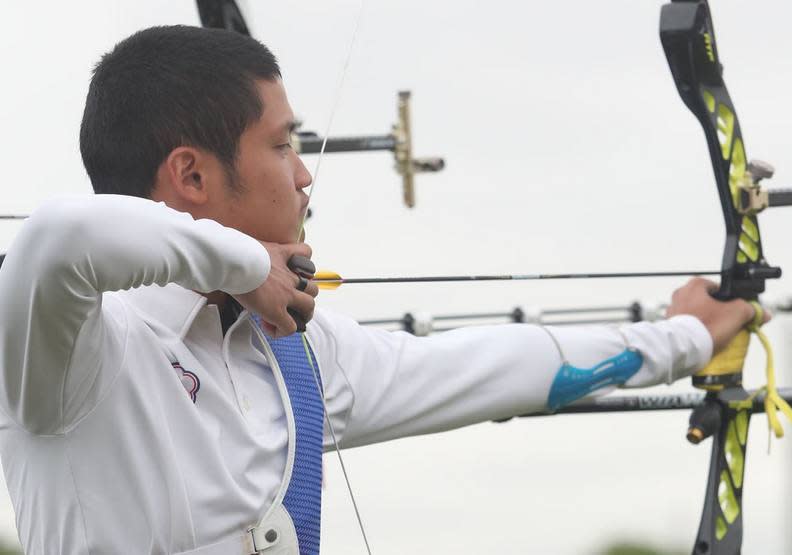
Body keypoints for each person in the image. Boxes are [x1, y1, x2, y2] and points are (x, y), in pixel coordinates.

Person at [0, 25, 760, 555]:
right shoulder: (76, 347)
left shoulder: (294, 353)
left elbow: (498, 366)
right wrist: (242, 264)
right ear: (192, 175)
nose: (303, 174)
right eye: (282, 143)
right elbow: (58, 237)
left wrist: (683, 338)